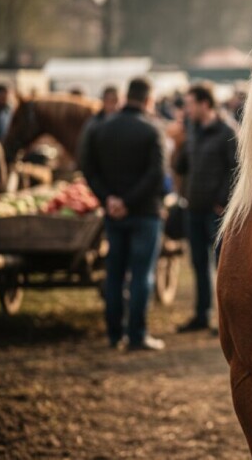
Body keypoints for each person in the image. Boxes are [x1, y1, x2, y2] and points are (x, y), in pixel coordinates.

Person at [81, 78, 166, 351]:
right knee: (141, 275)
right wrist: (127, 201)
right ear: (147, 99)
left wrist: (109, 199)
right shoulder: (152, 131)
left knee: (115, 274)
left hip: (113, 214)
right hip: (144, 213)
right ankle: (137, 335)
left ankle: (114, 334)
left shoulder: (101, 128)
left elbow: (88, 168)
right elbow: (156, 175)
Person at [173, 84, 238, 332]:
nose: (186, 109)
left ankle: (225, 322)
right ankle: (202, 315)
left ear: (204, 104)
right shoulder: (192, 130)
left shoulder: (227, 132)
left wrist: (222, 202)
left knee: (223, 268)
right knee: (198, 265)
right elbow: (184, 165)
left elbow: (236, 171)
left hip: (216, 212)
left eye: (190, 104)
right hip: (193, 209)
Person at [77, 86, 121, 170]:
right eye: (109, 101)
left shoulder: (125, 122)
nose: (112, 105)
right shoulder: (93, 124)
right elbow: (84, 150)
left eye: (115, 101)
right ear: (103, 101)